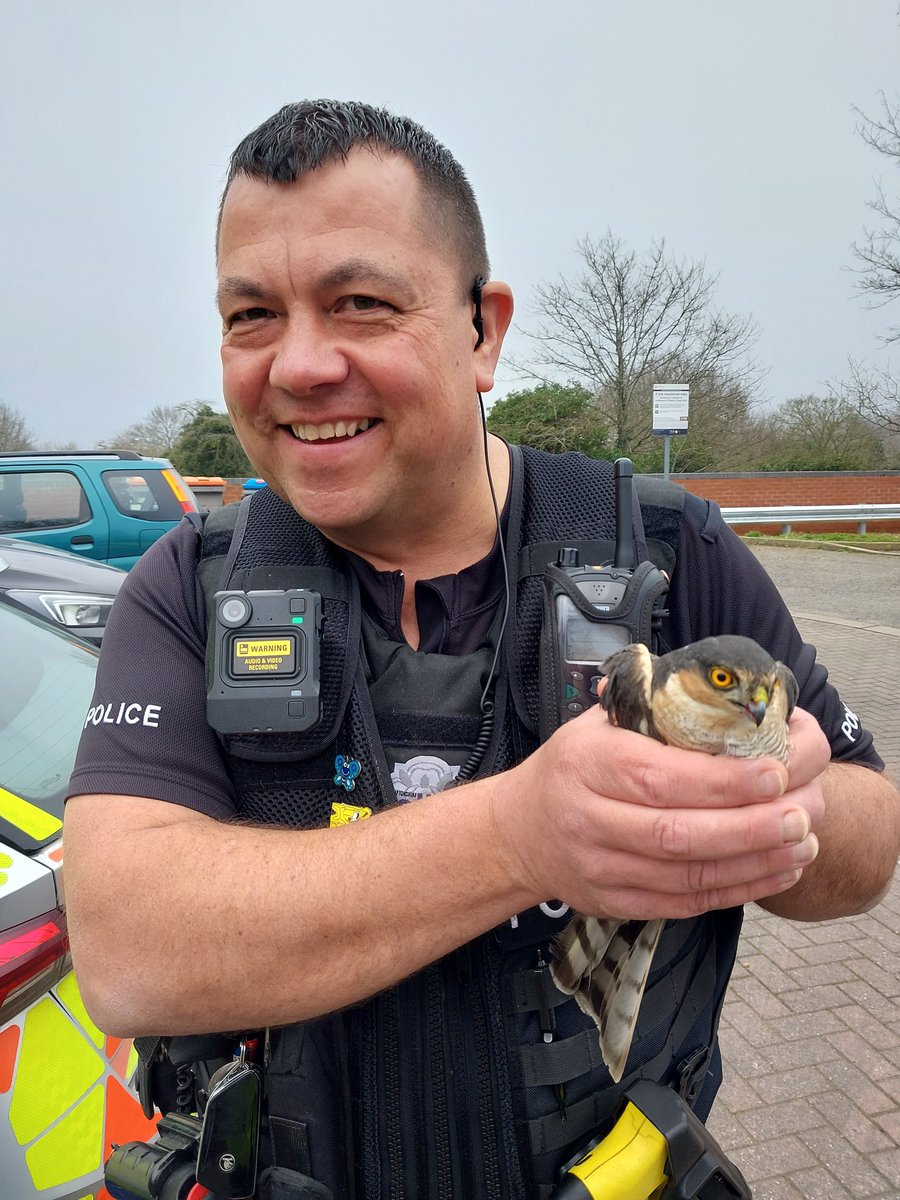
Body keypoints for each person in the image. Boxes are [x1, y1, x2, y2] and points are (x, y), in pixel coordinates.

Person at [64, 100, 900, 1200]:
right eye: (252, 314)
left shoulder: (668, 552)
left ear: (483, 331)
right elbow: (126, 951)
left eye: (360, 303)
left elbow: (866, 840)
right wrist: (517, 834)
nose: (300, 365)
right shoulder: (187, 585)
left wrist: (779, 807)